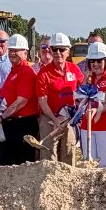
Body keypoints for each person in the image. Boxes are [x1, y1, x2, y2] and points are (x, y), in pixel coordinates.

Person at [0, 34, 39, 166]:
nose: (12, 53)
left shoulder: (26, 72)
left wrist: (1, 117)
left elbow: (21, 102)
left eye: (16, 51)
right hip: (11, 123)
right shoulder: (14, 71)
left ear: (25, 52)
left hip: (23, 125)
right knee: (8, 161)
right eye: (11, 50)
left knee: (20, 163)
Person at [36, 33, 83, 164]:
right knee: (48, 151)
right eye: (54, 49)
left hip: (69, 117)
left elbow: (83, 90)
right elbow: (42, 101)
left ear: (68, 51)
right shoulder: (43, 74)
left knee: (68, 150)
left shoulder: (74, 69)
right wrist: (54, 119)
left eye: (61, 49)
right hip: (49, 117)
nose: (58, 53)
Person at [79, 42, 106, 167]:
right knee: (89, 162)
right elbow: (79, 98)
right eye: (92, 61)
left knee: (104, 163)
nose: (95, 64)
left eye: (99, 61)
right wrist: (85, 80)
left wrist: (96, 111)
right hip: (87, 125)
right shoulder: (89, 78)